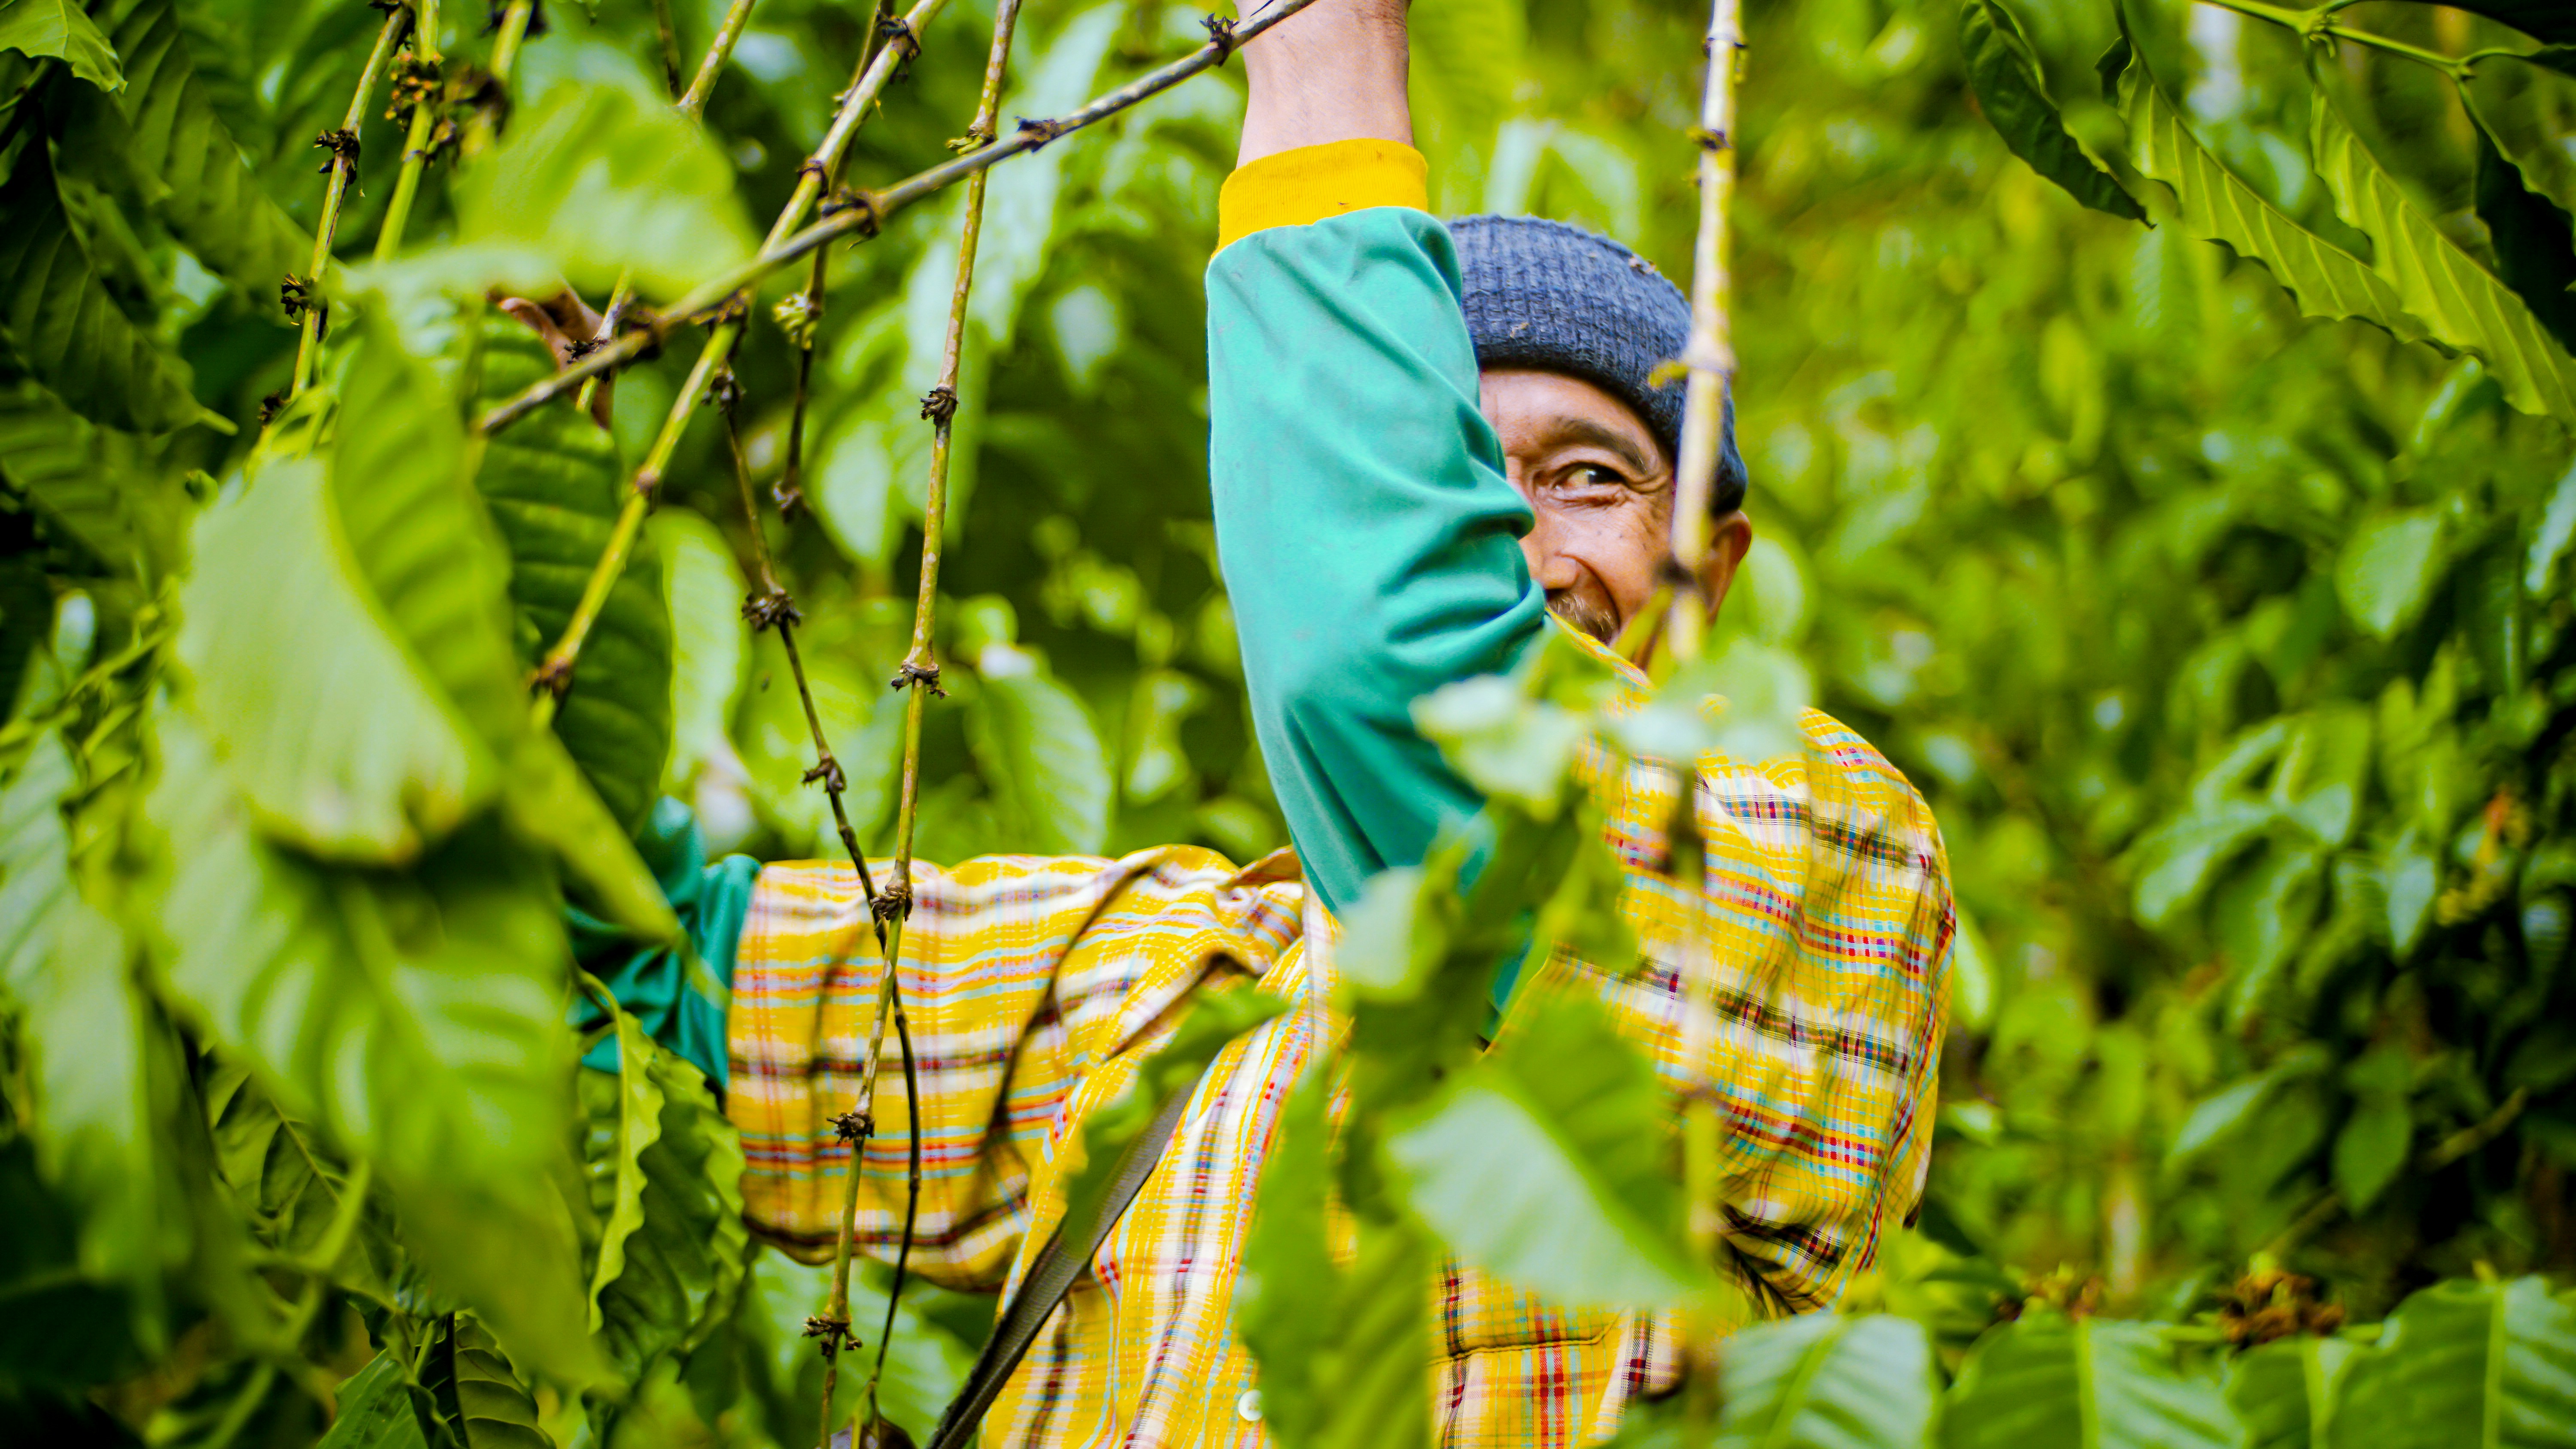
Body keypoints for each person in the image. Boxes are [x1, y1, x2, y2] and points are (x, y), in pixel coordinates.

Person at [550, 2, 1954, 1442]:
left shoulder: (1829, 857)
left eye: (1591, 476)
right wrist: (525, 504)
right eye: (1462, 477)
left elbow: (1409, 678)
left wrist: (1325, 51)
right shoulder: (1184, 991)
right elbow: (641, 989)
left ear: (1709, 576)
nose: (1518, 549)